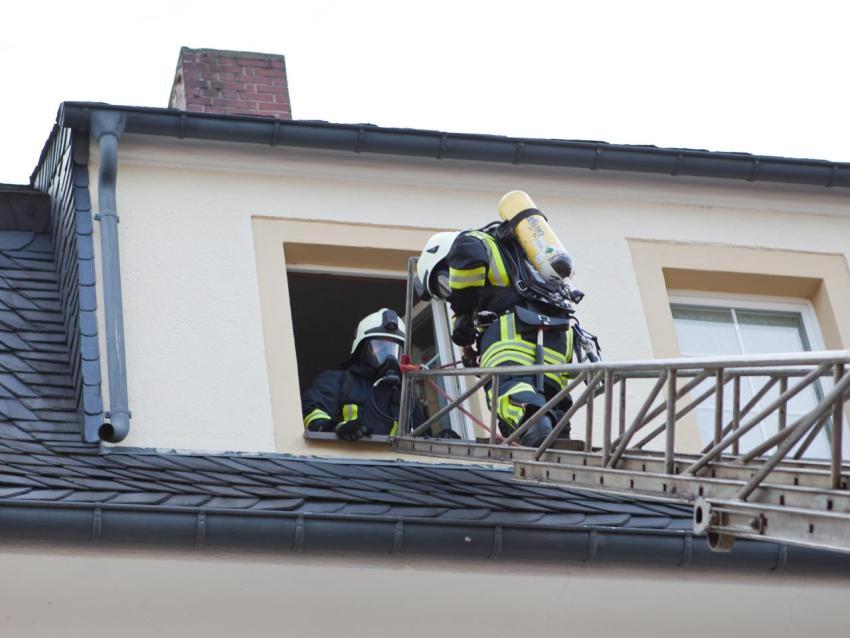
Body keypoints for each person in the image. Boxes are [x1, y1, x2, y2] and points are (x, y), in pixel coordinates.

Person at [415, 193, 594, 448]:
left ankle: (536, 432)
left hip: (514, 334)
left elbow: (468, 259)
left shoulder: (469, 241)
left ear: (444, 256)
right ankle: (556, 436)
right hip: (557, 336)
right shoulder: (515, 252)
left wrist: (463, 312)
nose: (449, 290)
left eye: (444, 282)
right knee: (550, 394)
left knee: (507, 387)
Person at [302, 308, 447, 441]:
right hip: (347, 458)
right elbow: (311, 414)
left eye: (394, 349)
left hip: (394, 462)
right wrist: (337, 428)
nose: (389, 357)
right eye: (380, 347)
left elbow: (421, 441)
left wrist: (441, 440)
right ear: (362, 349)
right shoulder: (338, 381)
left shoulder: (406, 397)